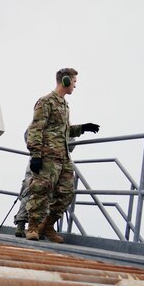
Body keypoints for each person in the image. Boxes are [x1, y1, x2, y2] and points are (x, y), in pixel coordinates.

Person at [24, 68, 100, 242]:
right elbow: (36, 128)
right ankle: (33, 227)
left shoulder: (64, 105)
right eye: (74, 82)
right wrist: (36, 154)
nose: (75, 86)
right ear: (65, 81)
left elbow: (64, 131)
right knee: (41, 191)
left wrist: (83, 128)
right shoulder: (46, 102)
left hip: (63, 157)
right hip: (47, 156)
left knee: (66, 193)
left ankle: (47, 226)